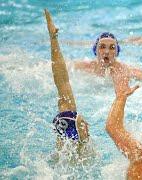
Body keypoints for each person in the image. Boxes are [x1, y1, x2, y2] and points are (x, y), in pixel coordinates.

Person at [44, 9, 94, 162]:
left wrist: (53, 38)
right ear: (84, 132)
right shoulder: (91, 160)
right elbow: (63, 80)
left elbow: (61, 80)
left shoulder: (51, 162)